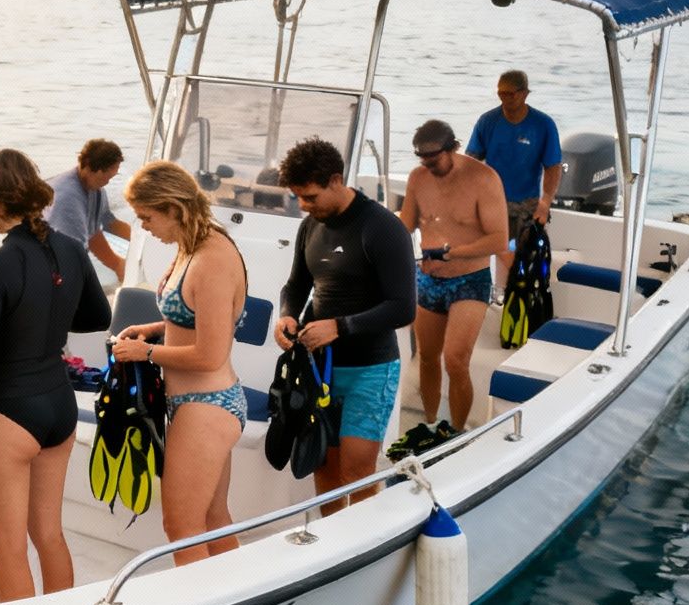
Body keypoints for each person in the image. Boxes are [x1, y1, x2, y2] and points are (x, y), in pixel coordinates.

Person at [0, 150, 111, 602]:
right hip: (58, 407)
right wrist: (47, 322)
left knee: (9, 551)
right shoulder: (71, 249)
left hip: (9, 412)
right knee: (49, 535)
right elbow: (98, 316)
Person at [110, 161, 248, 565]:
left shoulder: (213, 259)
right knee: (212, 518)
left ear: (173, 208)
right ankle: (236, 598)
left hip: (209, 404)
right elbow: (194, 315)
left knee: (181, 529)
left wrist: (145, 353)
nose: (144, 226)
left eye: (147, 217)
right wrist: (153, 329)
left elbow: (210, 354)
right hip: (195, 404)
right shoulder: (191, 246)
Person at [272, 137, 416, 515]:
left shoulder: (382, 228)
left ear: (336, 180)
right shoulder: (310, 227)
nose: (304, 205)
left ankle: (367, 544)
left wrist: (340, 327)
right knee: (324, 465)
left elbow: (403, 308)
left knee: (356, 471)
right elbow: (296, 285)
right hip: (319, 369)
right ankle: (333, 543)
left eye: (311, 196)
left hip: (371, 369)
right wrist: (287, 313)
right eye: (298, 197)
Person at [397, 120, 509, 442]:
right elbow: (405, 224)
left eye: (433, 159)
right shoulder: (418, 178)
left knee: (456, 360)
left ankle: (458, 434)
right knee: (428, 358)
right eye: (422, 159)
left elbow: (500, 240)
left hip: (469, 280)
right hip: (428, 279)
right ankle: (432, 425)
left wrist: (452, 253)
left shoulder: (483, 179)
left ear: (453, 148)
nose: (427, 165)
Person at [466, 69, 563, 287]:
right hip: (493, 204)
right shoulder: (487, 121)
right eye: (501, 94)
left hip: (527, 206)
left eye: (510, 94)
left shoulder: (543, 125)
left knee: (526, 260)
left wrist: (545, 203)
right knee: (501, 253)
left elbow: (553, 166)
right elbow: (471, 162)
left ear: (525, 93)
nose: (505, 99)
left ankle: (524, 290)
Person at [45, 139, 134, 276]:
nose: (106, 183)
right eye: (104, 178)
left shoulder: (95, 189)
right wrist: (116, 264)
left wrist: (141, 240)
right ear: (88, 167)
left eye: (110, 178)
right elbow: (81, 248)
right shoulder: (67, 199)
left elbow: (110, 223)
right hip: (49, 264)